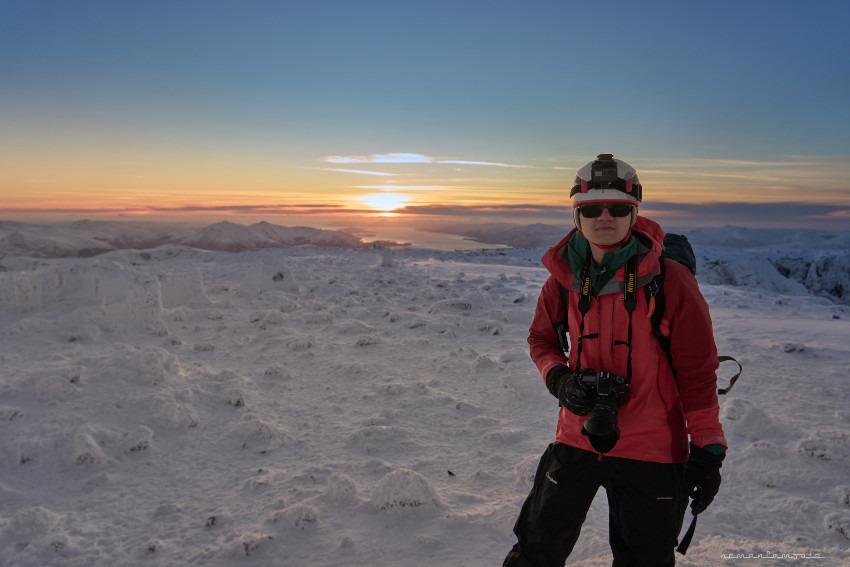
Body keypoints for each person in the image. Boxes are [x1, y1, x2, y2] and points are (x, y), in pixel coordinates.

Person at [503, 154, 727, 567]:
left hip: (653, 449)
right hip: (577, 435)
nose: (604, 217)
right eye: (591, 208)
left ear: (634, 211)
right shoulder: (562, 278)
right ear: (576, 214)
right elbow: (541, 339)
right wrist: (560, 381)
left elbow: (698, 372)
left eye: (618, 207)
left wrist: (708, 447)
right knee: (535, 550)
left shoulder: (671, 281)